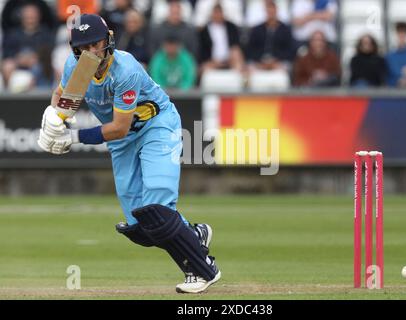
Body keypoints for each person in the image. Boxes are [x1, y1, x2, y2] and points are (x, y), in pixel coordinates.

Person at [37, 14, 221, 294]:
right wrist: (55, 117)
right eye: (83, 47)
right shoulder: (76, 66)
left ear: (108, 40)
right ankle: (195, 234)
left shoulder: (125, 69)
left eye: (95, 44)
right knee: (141, 224)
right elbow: (63, 98)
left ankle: (202, 269)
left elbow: (120, 127)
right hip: (123, 141)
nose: (91, 53)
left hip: (156, 127)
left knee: (157, 207)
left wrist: (73, 137)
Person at [1, 3, 55, 88]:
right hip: (17, 64)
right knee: (7, 66)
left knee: (41, 67)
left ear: (39, 16)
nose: (30, 18)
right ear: (22, 16)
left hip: (39, 64)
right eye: (28, 15)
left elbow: (50, 50)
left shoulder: (46, 33)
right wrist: (18, 59)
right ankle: (9, 97)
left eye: (33, 15)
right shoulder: (13, 34)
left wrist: (36, 57)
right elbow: (7, 53)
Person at [246, 0, 293, 72]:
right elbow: (250, 49)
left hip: (278, 62)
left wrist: (275, 60)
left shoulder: (285, 30)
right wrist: (261, 62)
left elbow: (289, 50)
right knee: (250, 68)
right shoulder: (257, 29)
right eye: (269, 11)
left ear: (276, 11)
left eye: (272, 11)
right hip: (259, 62)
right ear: (265, 12)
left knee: (286, 68)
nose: (271, 13)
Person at [198, 3, 244, 75]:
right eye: (215, 13)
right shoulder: (204, 31)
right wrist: (213, 61)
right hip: (212, 61)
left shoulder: (231, 27)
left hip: (229, 60)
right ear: (211, 14)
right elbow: (202, 50)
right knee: (203, 67)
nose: (217, 15)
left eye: (219, 12)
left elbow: (236, 45)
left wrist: (229, 58)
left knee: (236, 53)